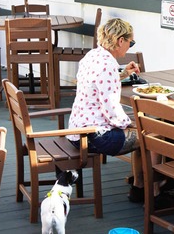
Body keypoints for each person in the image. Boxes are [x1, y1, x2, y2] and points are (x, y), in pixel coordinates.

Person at [66, 18, 157, 203]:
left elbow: (98, 84)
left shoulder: (92, 56)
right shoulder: (107, 66)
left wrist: (122, 74)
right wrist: (131, 123)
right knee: (152, 134)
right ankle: (153, 192)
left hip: (78, 131)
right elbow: (112, 110)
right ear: (120, 41)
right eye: (130, 42)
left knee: (142, 130)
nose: (129, 47)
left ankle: (139, 188)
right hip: (96, 136)